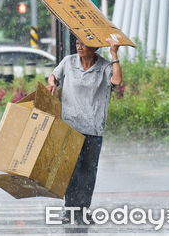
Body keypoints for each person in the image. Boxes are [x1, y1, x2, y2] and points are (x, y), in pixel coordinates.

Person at [47, 38, 122, 225]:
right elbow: (54, 75)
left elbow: (117, 81)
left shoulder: (104, 66)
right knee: (72, 170)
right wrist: (52, 82)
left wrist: (114, 54)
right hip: (70, 126)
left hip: (94, 127)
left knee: (88, 172)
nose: (79, 47)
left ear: (95, 47)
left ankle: (83, 210)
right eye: (78, 43)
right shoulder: (69, 62)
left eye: (84, 44)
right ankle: (70, 209)